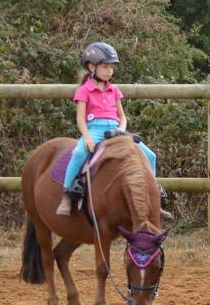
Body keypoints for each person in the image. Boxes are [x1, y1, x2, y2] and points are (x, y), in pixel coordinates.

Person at [57, 42, 171, 219]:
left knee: (150, 156)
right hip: (94, 129)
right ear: (91, 66)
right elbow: (80, 118)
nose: (109, 71)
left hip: (117, 129)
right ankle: (66, 195)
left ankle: (152, 195)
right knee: (79, 153)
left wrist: (121, 130)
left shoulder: (114, 90)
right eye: (105, 67)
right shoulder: (84, 91)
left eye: (112, 67)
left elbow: (123, 116)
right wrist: (86, 137)